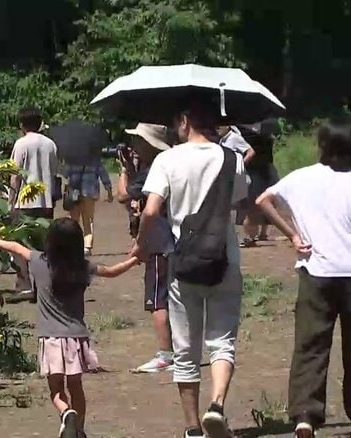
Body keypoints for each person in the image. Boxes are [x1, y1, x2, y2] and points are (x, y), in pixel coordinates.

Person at [131, 100, 247, 438]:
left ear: (184, 121)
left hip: (183, 262)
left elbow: (151, 211)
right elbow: (238, 203)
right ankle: (217, 405)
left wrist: (141, 242)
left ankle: (192, 428)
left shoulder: (167, 159)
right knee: (222, 341)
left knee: (185, 347)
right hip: (224, 259)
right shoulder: (232, 159)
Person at [0, 218, 139, 438]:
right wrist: (134, 260)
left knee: (56, 390)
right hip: (76, 338)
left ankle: (66, 413)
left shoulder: (39, 262)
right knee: (77, 388)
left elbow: (17, 248)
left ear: (50, 241)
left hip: (50, 339)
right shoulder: (83, 268)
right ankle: (80, 430)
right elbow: (113, 271)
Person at [255, 118, 351, 438]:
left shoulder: (302, 178)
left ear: (322, 145)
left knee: (310, 345)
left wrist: (293, 234)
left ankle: (305, 416)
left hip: (316, 272)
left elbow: (263, 201)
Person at [117, 123, 175, 373]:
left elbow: (123, 195)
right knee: (173, 298)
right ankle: (178, 349)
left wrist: (123, 171)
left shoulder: (152, 170)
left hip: (159, 243)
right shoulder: (169, 165)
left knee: (157, 300)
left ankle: (166, 354)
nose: (135, 146)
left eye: (139, 141)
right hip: (176, 240)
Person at [9, 107, 59, 297]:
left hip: (24, 202)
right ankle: (44, 284)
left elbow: (15, 174)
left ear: (21, 124)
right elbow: (54, 172)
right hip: (45, 201)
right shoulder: (50, 144)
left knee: (20, 243)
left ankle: (24, 284)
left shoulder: (21, 144)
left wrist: (11, 200)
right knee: (44, 244)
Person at [237, 121, 280, 246]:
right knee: (252, 203)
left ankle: (263, 233)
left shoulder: (266, 125)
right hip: (251, 168)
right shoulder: (239, 128)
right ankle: (249, 236)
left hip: (266, 166)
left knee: (270, 199)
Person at [63, 155, 113, 254]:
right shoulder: (95, 159)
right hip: (90, 192)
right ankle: (87, 246)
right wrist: (109, 190)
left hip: (74, 192)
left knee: (74, 220)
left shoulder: (72, 158)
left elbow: (65, 174)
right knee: (88, 220)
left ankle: (73, 244)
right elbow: (103, 174)